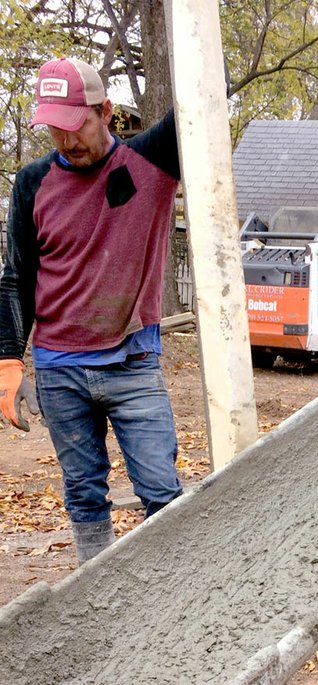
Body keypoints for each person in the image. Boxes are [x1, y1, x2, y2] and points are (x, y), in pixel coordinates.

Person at [0, 57, 183, 564]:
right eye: (53, 129)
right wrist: (9, 360)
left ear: (104, 111)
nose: (64, 141)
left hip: (133, 363)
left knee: (162, 492)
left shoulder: (153, 161)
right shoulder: (33, 183)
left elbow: (202, 88)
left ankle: (170, 591)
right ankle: (95, 598)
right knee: (83, 494)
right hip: (60, 369)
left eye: (74, 125)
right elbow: (17, 278)